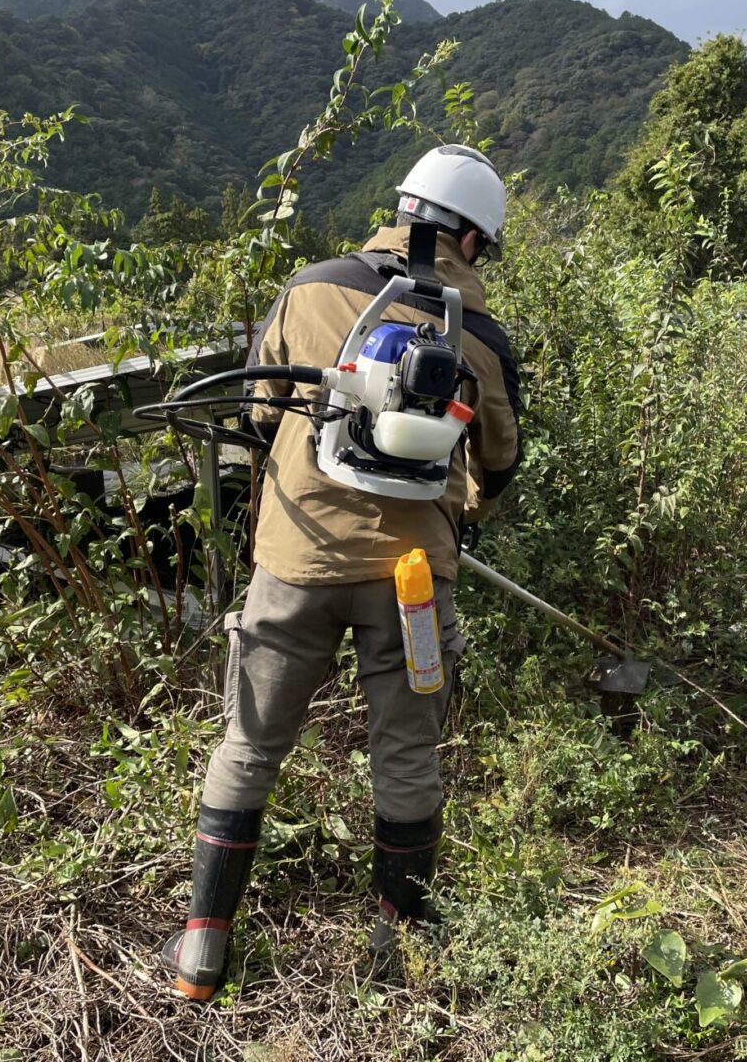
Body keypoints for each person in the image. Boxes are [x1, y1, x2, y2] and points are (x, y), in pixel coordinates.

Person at [159, 145, 523, 1000]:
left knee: (249, 745)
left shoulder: (310, 287)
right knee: (405, 752)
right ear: (469, 237)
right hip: (412, 584)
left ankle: (204, 947)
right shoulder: (482, 338)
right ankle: (397, 951)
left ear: (403, 209)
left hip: (293, 564)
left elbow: (257, 413)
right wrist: (458, 512)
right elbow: (498, 460)